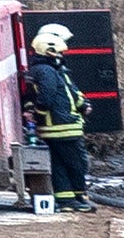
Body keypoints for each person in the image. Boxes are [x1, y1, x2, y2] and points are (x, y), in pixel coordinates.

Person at [22, 25, 89, 212]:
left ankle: (67, 201)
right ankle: (79, 197)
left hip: (58, 127)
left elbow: (69, 92)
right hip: (63, 127)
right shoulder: (46, 71)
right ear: (49, 51)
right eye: (58, 51)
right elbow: (47, 96)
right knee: (77, 164)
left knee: (59, 165)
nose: (61, 55)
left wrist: (83, 104)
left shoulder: (48, 70)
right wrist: (38, 114)